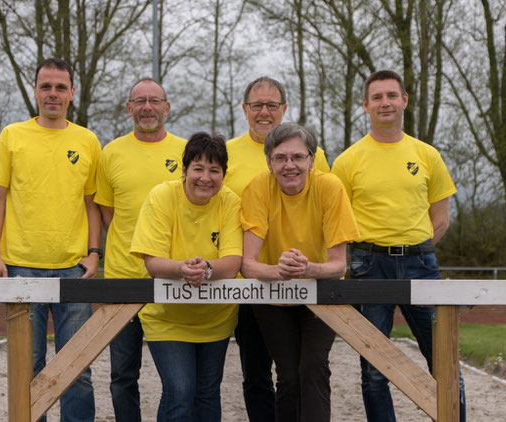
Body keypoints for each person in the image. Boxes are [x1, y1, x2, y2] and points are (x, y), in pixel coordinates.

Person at [331, 69, 466, 422]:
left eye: (392, 95)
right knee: (375, 368)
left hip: (420, 264)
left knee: (444, 362)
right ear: (365, 105)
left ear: (404, 100)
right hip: (368, 266)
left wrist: (411, 248)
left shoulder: (427, 154)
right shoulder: (346, 161)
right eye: (377, 97)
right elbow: (336, 223)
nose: (385, 103)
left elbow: (441, 218)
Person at [0, 58, 100, 422]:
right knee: (27, 368)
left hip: (73, 270)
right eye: (46, 86)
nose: (53, 94)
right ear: (35, 91)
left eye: (60, 87)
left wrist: (94, 253)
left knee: (77, 369)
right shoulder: (12, 136)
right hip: (21, 268)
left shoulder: (87, 140)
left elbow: (92, 202)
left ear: (71, 94)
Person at [223, 76, 330, 422]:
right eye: (257, 105)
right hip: (252, 279)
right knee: (256, 374)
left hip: (304, 281)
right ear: (245, 110)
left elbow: (320, 206)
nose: (264, 112)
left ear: (284, 109)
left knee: (301, 370)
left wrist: (306, 264)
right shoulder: (227, 153)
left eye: (272, 105)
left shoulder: (315, 155)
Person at [240, 123, 359, 422]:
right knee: (289, 375)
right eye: (280, 158)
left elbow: (338, 265)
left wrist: (308, 269)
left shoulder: (329, 187)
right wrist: (278, 271)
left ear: (312, 160)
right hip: (273, 294)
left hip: (321, 291)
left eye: (297, 157)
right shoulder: (258, 187)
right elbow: (248, 264)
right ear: (269, 162)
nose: (289, 165)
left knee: (313, 367)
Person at [130, 132, 242, 422]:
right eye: (198, 168)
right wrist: (183, 269)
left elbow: (232, 263)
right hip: (167, 318)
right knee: (179, 390)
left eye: (214, 170)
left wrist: (206, 268)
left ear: (224, 175)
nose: (206, 177)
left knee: (207, 393)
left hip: (215, 319)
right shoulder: (162, 196)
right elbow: (153, 261)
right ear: (184, 170)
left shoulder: (231, 202)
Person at [94, 78, 186, 421]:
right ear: (129, 108)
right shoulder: (111, 152)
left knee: (176, 379)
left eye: (154, 100)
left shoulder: (185, 151)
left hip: (172, 278)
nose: (147, 107)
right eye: (139, 101)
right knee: (122, 376)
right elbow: (107, 213)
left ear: (167, 107)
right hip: (123, 277)